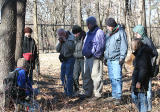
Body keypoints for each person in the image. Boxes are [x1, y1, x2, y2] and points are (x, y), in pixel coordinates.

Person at [133, 25, 158, 111]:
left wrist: (148, 63)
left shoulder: (147, 41)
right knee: (142, 92)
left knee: (148, 90)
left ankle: (148, 108)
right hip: (142, 70)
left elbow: (154, 54)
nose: (135, 35)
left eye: (137, 33)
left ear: (141, 33)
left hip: (146, 70)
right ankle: (144, 108)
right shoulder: (140, 41)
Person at [104, 18, 128, 105]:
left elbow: (124, 46)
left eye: (108, 26)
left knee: (117, 78)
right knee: (112, 78)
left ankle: (118, 97)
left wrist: (122, 58)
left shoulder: (121, 32)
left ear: (112, 26)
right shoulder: (108, 34)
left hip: (117, 59)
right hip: (109, 59)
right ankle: (114, 95)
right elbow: (106, 47)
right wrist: (105, 57)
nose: (107, 27)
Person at [82, 16, 106, 100]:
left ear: (92, 24)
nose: (87, 25)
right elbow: (85, 44)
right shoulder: (88, 32)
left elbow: (101, 45)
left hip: (95, 58)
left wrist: (96, 55)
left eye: (88, 24)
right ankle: (88, 92)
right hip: (87, 58)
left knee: (96, 76)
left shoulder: (99, 32)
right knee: (86, 75)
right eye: (87, 24)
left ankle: (97, 94)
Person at [131, 39, 153, 112]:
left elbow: (143, 69)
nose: (132, 46)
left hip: (141, 80)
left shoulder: (142, 55)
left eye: (133, 45)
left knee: (142, 99)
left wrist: (139, 81)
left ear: (137, 45)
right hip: (138, 79)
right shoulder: (139, 53)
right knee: (135, 97)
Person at [56, 28, 75, 97]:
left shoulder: (71, 37)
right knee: (62, 77)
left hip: (70, 58)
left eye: (60, 35)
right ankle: (66, 91)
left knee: (69, 76)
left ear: (64, 33)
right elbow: (57, 49)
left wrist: (65, 41)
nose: (60, 36)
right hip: (64, 60)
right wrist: (60, 42)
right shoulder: (60, 38)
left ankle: (70, 93)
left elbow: (72, 48)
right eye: (59, 35)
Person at [72, 25, 86, 96]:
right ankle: (76, 89)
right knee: (75, 75)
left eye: (76, 33)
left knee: (84, 75)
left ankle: (85, 90)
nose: (75, 35)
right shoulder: (73, 38)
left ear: (79, 32)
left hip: (83, 59)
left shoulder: (84, 37)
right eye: (73, 33)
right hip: (76, 59)